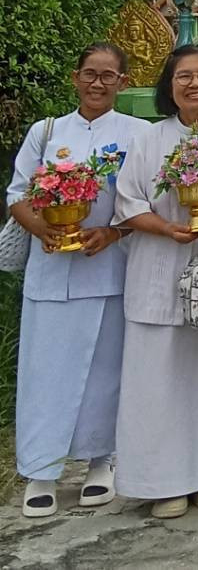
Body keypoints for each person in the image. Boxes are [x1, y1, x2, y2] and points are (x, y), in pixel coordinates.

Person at [7, 43, 149, 519]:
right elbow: (17, 194)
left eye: (109, 75)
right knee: (46, 373)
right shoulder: (46, 132)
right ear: (75, 77)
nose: (97, 83)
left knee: (105, 373)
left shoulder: (137, 134)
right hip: (51, 274)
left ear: (123, 83)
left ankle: (101, 462)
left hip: (109, 269)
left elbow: (145, 201)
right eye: (90, 73)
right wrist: (44, 229)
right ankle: (41, 470)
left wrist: (112, 231)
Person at [113, 44, 198, 518]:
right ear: (168, 87)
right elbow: (128, 203)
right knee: (157, 379)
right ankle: (161, 481)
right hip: (158, 267)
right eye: (183, 76)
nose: (195, 83)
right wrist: (167, 228)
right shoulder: (149, 140)